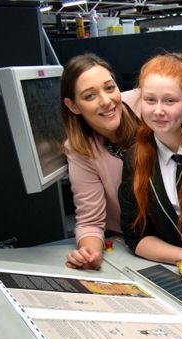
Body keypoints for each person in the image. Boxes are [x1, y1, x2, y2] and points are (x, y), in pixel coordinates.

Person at [118, 52, 182, 264]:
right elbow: (136, 236)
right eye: (150, 100)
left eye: (170, 101)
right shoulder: (136, 158)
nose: (158, 111)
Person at [61, 53, 140, 270]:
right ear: (73, 106)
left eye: (109, 88)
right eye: (89, 96)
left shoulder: (149, 104)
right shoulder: (80, 149)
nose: (106, 101)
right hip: (137, 242)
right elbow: (90, 221)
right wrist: (90, 254)